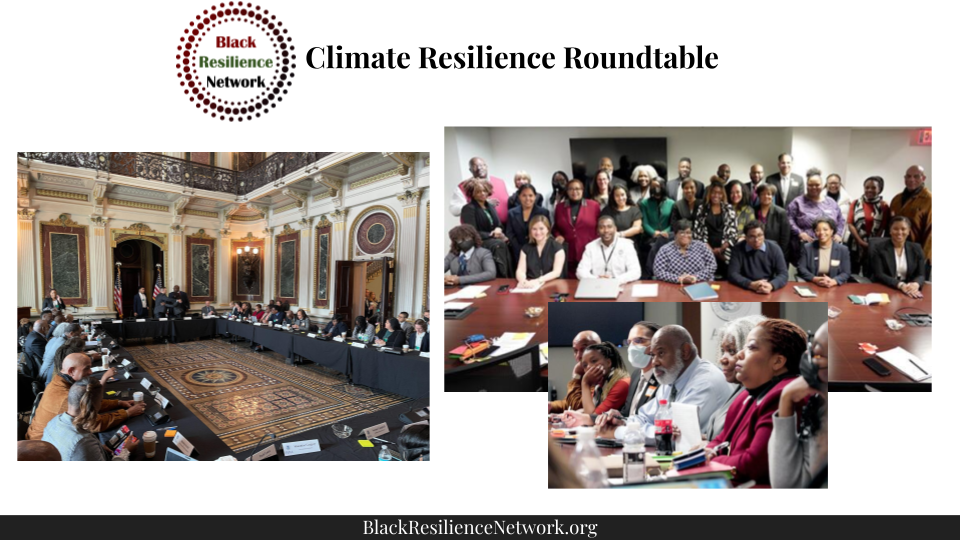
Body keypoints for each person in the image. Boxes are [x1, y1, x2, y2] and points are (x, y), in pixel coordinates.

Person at [704, 319, 806, 485]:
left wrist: (710, 461)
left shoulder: (783, 395)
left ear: (778, 362)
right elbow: (722, 438)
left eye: (751, 347)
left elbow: (753, 465)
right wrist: (708, 450)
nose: (739, 354)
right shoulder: (745, 395)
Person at [593, 325, 729, 440]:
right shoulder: (671, 378)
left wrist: (618, 432)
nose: (654, 362)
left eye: (661, 353)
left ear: (685, 351)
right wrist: (621, 422)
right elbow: (645, 418)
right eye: (652, 355)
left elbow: (672, 434)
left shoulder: (706, 382)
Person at [27, 352, 145, 440]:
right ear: (71, 371)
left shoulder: (59, 380)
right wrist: (128, 413)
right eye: (86, 369)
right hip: (44, 446)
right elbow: (94, 424)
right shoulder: (65, 397)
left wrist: (119, 403)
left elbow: (88, 402)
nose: (91, 372)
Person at [770, 321, 828, 488]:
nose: (809, 359)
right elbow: (785, 483)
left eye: (817, 355)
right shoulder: (817, 403)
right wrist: (786, 398)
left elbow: (785, 486)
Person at [41, 377, 138, 461]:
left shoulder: (53, 421)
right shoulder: (83, 442)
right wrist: (125, 452)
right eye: (100, 401)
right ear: (95, 406)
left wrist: (98, 448)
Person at [705, 315, 767, 440]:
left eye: (732, 351)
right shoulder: (740, 389)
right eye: (723, 351)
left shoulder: (758, 396)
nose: (722, 359)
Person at [787, 168, 846, 264]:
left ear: (822, 185)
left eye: (817, 185)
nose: (814, 187)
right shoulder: (797, 202)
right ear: (806, 185)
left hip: (829, 249)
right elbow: (789, 219)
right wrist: (800, 233)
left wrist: (839, 234)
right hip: (805, 249)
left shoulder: (831, 202)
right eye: (810, 185)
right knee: (806, 276)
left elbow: (841, 220)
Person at [552, 179, 601, 276]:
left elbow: (599, 227)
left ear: (582, 190)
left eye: (578, 189)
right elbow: (556, 228)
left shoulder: (594, 205)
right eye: (571, 189)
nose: (574, 192)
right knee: (571, 285)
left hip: (589, 250)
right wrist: (558, 236)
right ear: (567, 191)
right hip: (568, 252)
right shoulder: (560, 207)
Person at [869, 216, 927, 298]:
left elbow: (921, 274)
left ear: (909, 231)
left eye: (903, 229)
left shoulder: (917, 248)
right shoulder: (879, 248)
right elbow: (879, 274)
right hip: (884, 288)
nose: (899, 232)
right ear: (890, 231)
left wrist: (916, 284)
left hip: (907, 290)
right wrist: (900, 285)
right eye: (895, 229)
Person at [890, 165, 932, 273]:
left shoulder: (929, 200)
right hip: (895, 253)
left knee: (915, 288)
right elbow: (889, 227)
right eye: (908, 176)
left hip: (917, 255)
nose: (911, 179)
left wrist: (923, 257)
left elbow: (931, 233)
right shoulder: (896, 199)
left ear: (923, 178)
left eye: (916, 176)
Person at [576, 215, 642, 284]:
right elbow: (580, 272)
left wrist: (615, 280)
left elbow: (636, 271)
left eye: (609, 227)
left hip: (620, 285)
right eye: (601, 227)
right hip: (597, 286)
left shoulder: (627, 245)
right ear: (597, 230)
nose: (606, 231)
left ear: (615, 229)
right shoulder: (590, 247)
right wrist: (596, 279)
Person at [728, 221, 789, 294]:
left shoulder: (774, 248)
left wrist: (771, 285)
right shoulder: (738, 248)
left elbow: (783, 274)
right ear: (745, 237)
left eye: (760, 235)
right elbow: (732, 274)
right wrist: (750, 284)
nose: (756, 240)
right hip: (745, 288)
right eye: (752, 236)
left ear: (764, 235)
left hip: (768, 287)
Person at [548, 331, 601, 413]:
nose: (578, 356)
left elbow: (576, 406)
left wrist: (576, 376)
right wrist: (551, 405)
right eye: (575, 350)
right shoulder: (584, 372)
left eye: (583, 349)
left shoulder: (599, 375)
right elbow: (570, 403)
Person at [848, 176, 891, 274]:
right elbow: (850, 224)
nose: (869, 190)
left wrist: (871, 243)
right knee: (852, 273)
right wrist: (860, 242)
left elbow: (882, 228)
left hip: (873, 246)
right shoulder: (855, 203)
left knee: (869, 273)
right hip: (855, 244)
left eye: (873, 187)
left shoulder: (884, 206)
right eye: (867, 187)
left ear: (879, 189)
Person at [694, 179, 739, 274]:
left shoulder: (729, 208)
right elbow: (697, 233)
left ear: (723, 195)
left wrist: (721, 248)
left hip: (725, 250)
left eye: (719, 193)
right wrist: (710, 249)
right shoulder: (702, 209)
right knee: (707, 276)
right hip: (705, 249)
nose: (716, 195)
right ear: (709, 193)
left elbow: (734, 233)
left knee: (727, 276)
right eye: (714, 192)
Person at [653, 219, 717, 284]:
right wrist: (678, 279)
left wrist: (696, 277)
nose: (685, 235)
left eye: (688, 232)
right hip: (674, 285)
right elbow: (658, 272)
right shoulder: (665, 250)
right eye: (682, 232)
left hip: (701, 283)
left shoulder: (701, 246)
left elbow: (712, 266)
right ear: (675, 234)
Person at [450, 157, 510, 225]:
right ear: (470, 170)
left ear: (486, 166)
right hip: (478, 232)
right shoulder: (462, 187)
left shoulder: (502, 182)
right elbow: (454, 210)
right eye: (475, 166)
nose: (479, 168)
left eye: (482, 165)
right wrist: (480, 204)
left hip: (505, 229)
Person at [576, 342, 631, 416]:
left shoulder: (622, 384)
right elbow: (592, 410)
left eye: (594, 361)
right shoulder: (599, 386)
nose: (588, 367)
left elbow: (592, 417)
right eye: (585, 365)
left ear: (608, 363)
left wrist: (585, 383)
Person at [797, 217, 851, 287]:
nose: (821, 233)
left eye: (825, 229)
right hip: (812, 285)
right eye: (817, 230)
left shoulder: (843, 249)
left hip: (834, 287)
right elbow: (801, 268)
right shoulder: (807, 248)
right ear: (815, 232)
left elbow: (846, 272)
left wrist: (834, 281)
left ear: (832, 231)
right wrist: (814, 279)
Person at [506, 183, 550, 268]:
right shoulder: (511, 213)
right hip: (517, 251)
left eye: (530, 195)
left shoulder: (543, 212)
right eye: (524, 195)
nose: (527, 199)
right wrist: (519, 248)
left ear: (535, 196)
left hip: (538, 250)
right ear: (519, 196)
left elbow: (547, 231)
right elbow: (509, 233)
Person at [516, 215, 566, 289]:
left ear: (548, 229)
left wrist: (538, 280)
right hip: (531, 286)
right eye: (534, 229)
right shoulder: (525, 248)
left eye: (541, 228)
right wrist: (523, 281)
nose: (538, 232)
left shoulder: (557, 247)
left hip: (553, 286)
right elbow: (520, 270)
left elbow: (557, 272)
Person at [640, 178, 675, 275]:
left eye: (658, 186)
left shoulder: (671, 203)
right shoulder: (644, 203)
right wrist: (654, 232)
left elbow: (672, 222)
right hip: (649, 238)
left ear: (663, 186)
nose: (656, 188)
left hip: (666, 237)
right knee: (649, 264)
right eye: (653, 186)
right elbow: (645, 222)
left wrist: (665, 232)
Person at [600, 184, 644, 253]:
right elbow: (603, 227)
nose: (620, 198)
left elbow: (637, 228)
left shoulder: (634, 210)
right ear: (613, 197)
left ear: (627, 195)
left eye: (622, 195)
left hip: (631, 247)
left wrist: (620, 234)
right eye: (617, 195)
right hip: (610, 247)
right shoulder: (607, 211)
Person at [754, 183, 790, 252]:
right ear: (758, 196)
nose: (766, 196)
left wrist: (780, 253)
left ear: (773, 196)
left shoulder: (781, 212)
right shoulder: (753, 210)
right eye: (762, 194)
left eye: (769, 194)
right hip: (756, 249)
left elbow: (785, 237)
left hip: (775, 251)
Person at [825, 174, 852, 240]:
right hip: (822, 235)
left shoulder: (848, 200)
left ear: (840, 184)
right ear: (827, 184)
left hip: (840, 236)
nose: (833, 185)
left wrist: (839, 234)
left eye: (836, 183)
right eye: (831, 183)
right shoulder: (819, 198)